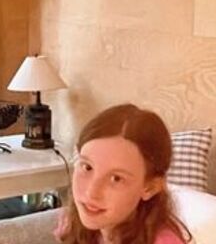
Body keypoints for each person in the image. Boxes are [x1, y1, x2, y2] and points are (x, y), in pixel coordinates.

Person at [56, 104, 190, 244]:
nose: (91, 193)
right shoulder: (71, 222)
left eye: (116, 178)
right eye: (87, 167)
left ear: (149, 187)